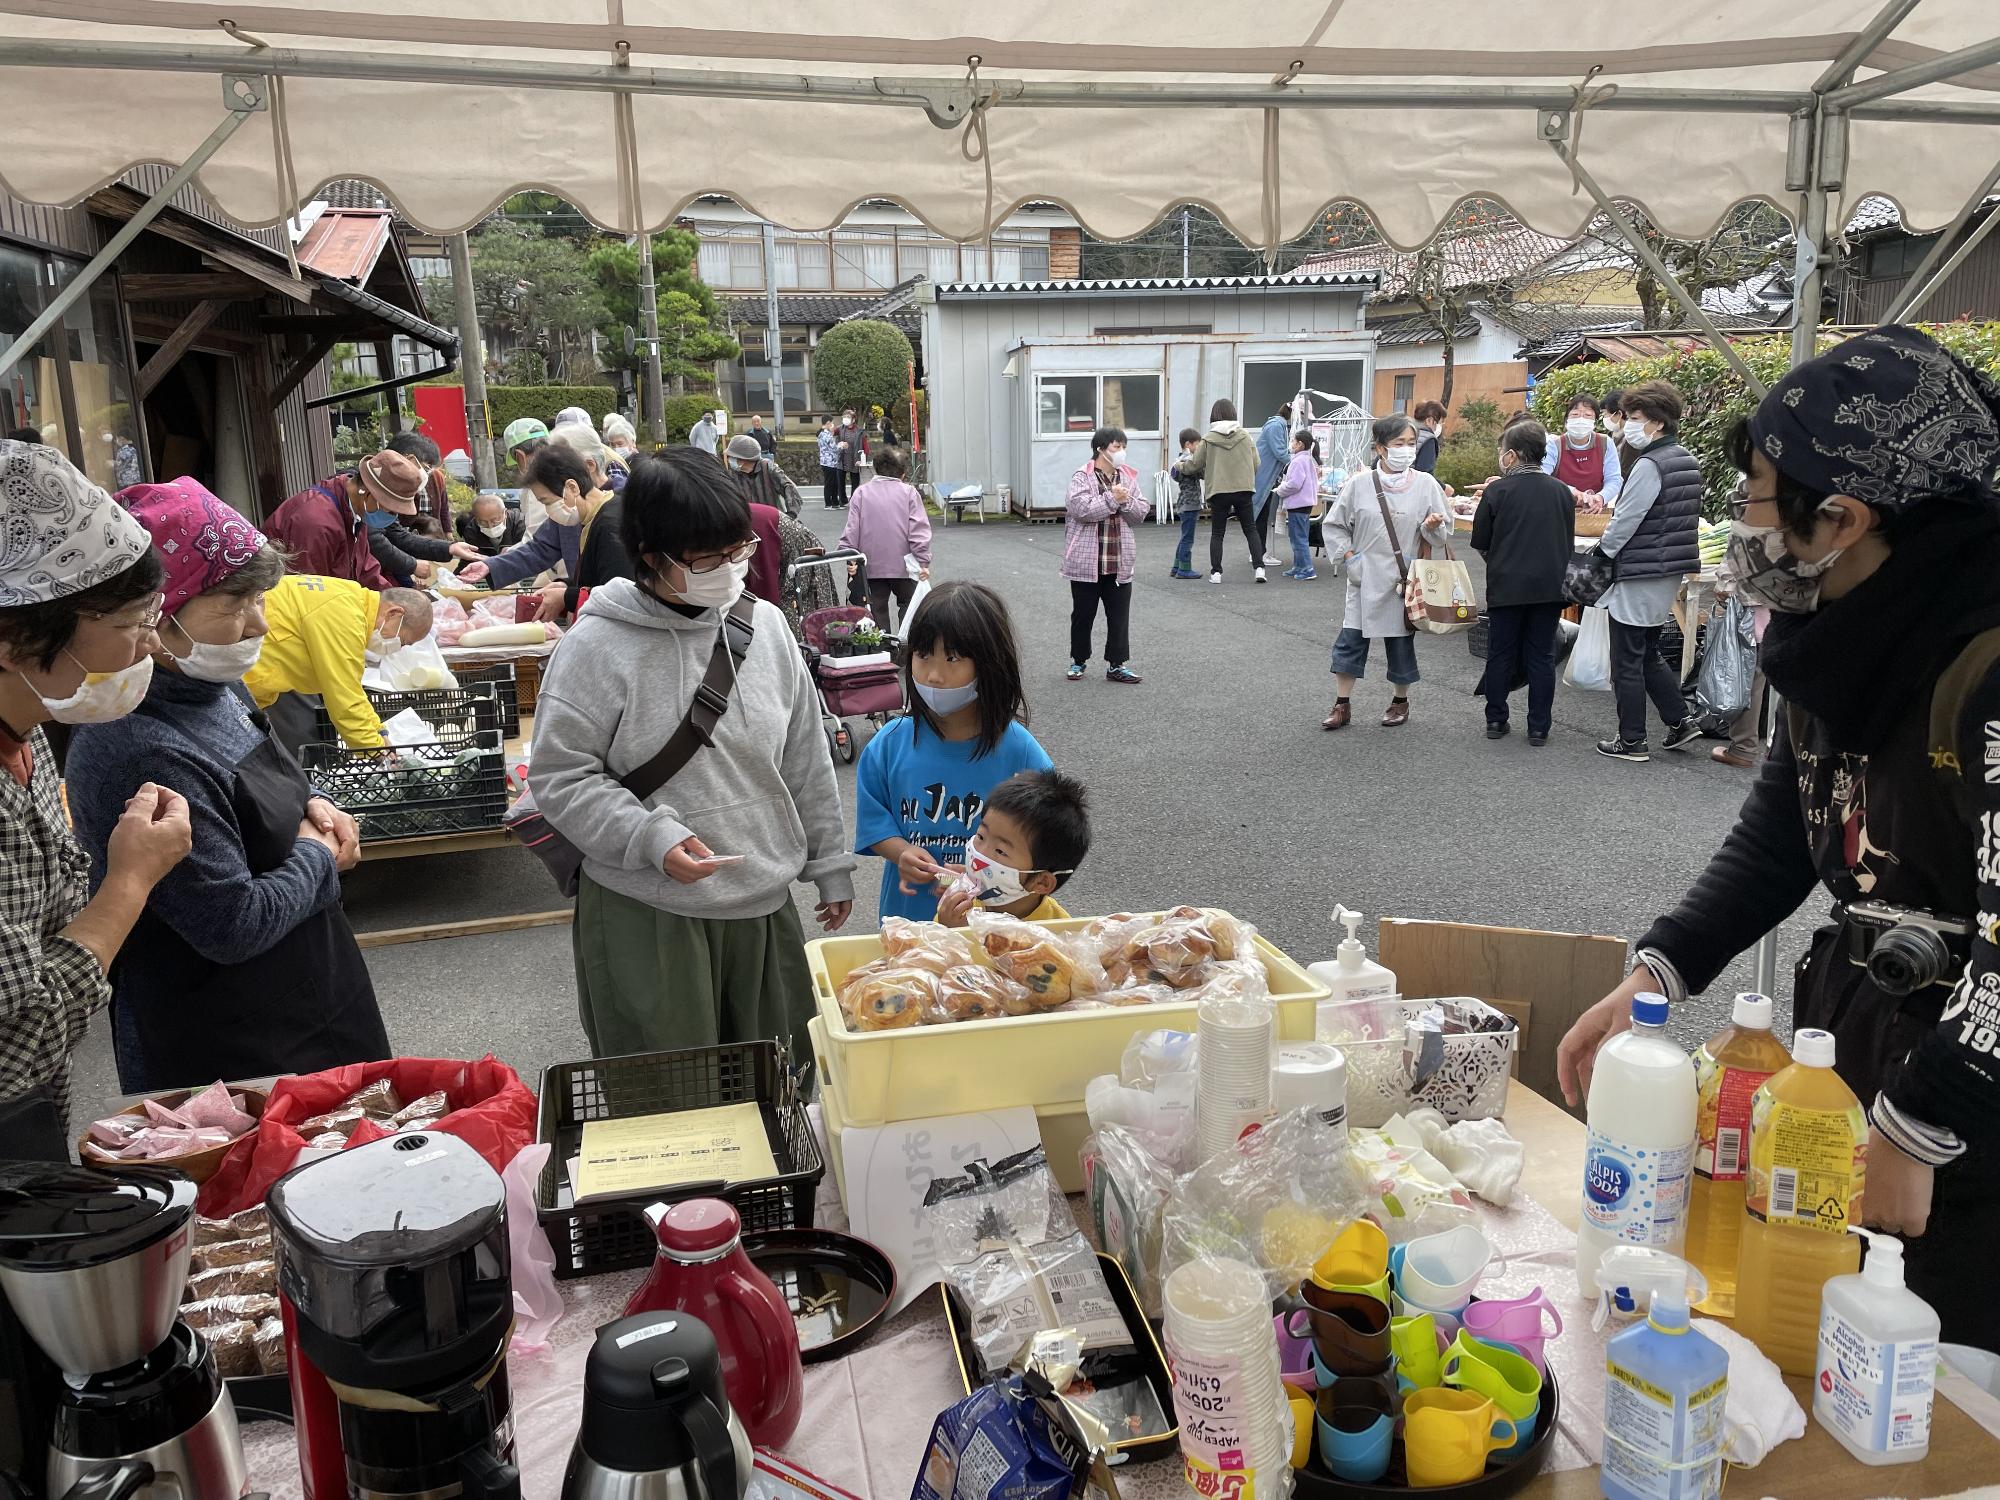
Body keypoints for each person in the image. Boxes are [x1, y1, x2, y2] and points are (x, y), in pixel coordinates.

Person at [1554, 325, 2000, 1348]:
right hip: (1861, 1052)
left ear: (1840, 516)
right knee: (1828, 1338)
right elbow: (1782, 837)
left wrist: (1919, 1122)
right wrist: (1655, 974)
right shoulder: (1841, 633)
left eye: (1755, 499)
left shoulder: (1980, 657)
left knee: (1944, 1373)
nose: (1743, 528)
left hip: (1967, 1095)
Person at [67, 479, 389, 1093]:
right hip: (232, 1044)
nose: (258, 624)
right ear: (157, 617)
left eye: (260, 600)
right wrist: (318, 854)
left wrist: (310, 802)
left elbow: (258, 775)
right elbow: (230, 924)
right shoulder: (141, 747)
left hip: (308, 984)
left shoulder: (213, 689)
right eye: (235, 605)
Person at [530, 451, 855, 1060]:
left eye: (740, 552)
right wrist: (649, 836)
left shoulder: (768, 628)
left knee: (777, 1091)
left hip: (762, 904)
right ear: (652, 556)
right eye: (709, 560)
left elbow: (806, 754)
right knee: (670, 1101)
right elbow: (560, 776)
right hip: (646, 914)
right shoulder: (596, 646)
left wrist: (829, 861)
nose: (732, 571)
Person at [0, 442, 193, 1131]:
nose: (153, 645)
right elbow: (10, 1049)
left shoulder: (27, 727)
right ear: (14, 638)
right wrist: (130, 882)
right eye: (131, 623)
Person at [854, 581, 1052, 922]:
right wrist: (901, 852)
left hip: (992, 926)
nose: (934, 675)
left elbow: (1050, 838)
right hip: (909, 923)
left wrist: (992, 878)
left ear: (990, 663)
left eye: (953, 658)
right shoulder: (889, 743)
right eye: (923, 654)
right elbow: (875, 822)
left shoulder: (1020, 752)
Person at [1593, 380, 1703, 763]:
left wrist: (1601, 553)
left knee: (1627, 656)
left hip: (1639, 569)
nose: (1630, 425)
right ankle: (1680, 720)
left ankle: (1632, 740)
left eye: (1636, 418)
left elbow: (1626, 518)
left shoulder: (1649, 464)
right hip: (1668, 569)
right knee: (1647, 651)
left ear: (1656, 423)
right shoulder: (1686, 458)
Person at [1322, 414, 1451, 729]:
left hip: (1401, 579)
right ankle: (1342, 704)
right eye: (1398, 444)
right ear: (1380, 448)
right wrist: (1351, 558)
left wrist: (1431, 526)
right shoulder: (1359, 484)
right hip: (1364, 576)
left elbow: (1440, 535)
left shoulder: (1425, 484)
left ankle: (1400, 700)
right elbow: (1335, 525)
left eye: (1410, 444)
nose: (1406, 450)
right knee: (1351, 640)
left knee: (1400, 644)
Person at [243, 575, 432, 753]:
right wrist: (375, 751)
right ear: (394, 613)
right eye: (403, 641)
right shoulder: (346, 617)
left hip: (248, 678)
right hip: (240, 677)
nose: (398, 648)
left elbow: (351, 688)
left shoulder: (350, 599)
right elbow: (344, 696)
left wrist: (378, 731)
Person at [1472, 421, 1574, 745]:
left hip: (1506, 586)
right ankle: (1539, 727)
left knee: (1500, 652)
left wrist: (1501, 562)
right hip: (1549, 587)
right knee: (1542, 655)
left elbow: (1481, 541)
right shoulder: (1561, 491)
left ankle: (1496, 720)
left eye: (1502, 452)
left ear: (1512, 456)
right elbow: (1567, 542)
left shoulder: (1496, 491)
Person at [936, 769, 1091, 928]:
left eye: (1000, 851)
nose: (979, 855)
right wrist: (948, 930)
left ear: (1042, 882)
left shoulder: (1059, 930)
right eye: (981, 836)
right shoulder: (959, 909)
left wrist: (962, 936)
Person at [266, 449, 435, 590]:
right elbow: (308, 594)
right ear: (369, 493)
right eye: (390, 509)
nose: (392, 516)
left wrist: (393, 597)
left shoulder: (353, 509)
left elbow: (365, 568)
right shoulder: (316, 522)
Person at [1062, 427, 1149, 685]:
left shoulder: (1127, 477)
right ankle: (1078, 660)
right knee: (1083, 614)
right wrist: (1112, 499)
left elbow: (1141, 512)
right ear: (1100, 449)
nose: (1121, 452)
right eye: (1115, 447)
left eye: (1123, 446)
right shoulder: (1082, 476)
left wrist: (1125, 502)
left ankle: (1117, 664)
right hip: (1086, 562)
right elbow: (1081, 510)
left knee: (1119, 616)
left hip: (1118, 560)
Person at [523, 444, 631, 618]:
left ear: (573, 487)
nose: (547, 511)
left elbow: (619, 598)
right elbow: (599, 579)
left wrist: (567, 597)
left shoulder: (610, 526)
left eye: (546, 501)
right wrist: (568, 586)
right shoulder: (596, 518)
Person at [841, 447, 931, 630]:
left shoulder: (861, 493)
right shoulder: (909, 493)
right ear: (903, 473)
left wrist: (850, 557)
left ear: (875, 468)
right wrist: (923, 561)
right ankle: (907, 649)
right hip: (905, 565)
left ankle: (884, 651)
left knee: (876, 612)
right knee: (909, 609)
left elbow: (852, 529)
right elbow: (918, 530)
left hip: (870, 564)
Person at [1181, 399, 1262, 585]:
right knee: (1250, 529)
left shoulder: (1208, 439)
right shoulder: (1246, 436)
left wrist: (1180, 466)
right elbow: (1256, 463)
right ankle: (1259, 569)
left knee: (1218, 533)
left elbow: (1195, 465)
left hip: (1219, 491)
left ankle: (1216, 573)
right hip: (1243, 489)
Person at [1539, 394, 1623, 513]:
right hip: (1559, 510)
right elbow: (1543, 477)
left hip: (1594, 513)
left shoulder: (1605, 443)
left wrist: (1600, 497)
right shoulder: (1554, 444)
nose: (1581, 419)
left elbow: (1614, 479)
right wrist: (1572, 492)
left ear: (1594, 421)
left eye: (1587, 415)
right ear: (1567, 419)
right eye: (1575, 415)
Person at [1251, 402, 1292, 570]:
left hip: (1265, 476)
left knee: (1260, 516)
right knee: (1261, 516)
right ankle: (1259, 553)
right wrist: (1299, 461)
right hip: (1264, 476)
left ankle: (1257, 551)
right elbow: (1280, 452)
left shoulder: (1276, 424)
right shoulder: (1277, 425)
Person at [386, 431, 453, 533]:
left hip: (431, 531)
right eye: (426, 467)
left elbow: (444, 508)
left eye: (430, 468)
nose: (427, 472)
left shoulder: (436, 477)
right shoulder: (389, 483)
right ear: (407, 459)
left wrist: (447, 533)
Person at [724, 433, 803, 520]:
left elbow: (789, 487)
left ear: (743, 458)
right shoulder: (732, 475)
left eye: (731, 457)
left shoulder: (767, 468)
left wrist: (791, 515)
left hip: (772, 522)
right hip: (748, 524)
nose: (729, 460)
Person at [1277, 430, 1322, 581]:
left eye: (1293, 441)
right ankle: (1298, 566)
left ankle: (1307, 569)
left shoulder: (1298, 461)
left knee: (1298, 538)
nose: (1291, 444)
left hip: (1298, 504)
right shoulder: (1307, 459)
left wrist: (1280, 489)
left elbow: (1294, 484)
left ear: (1300, 444)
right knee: (1298, 537)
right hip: (1304, 504)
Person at [1168, 427, 1204, 580]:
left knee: (1184, 537)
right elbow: (1201, 473)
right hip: (1190, 504)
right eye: (1198, 445)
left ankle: (1176, 567)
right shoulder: (1188, 461)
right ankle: (1184, 568)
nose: (1199, 448)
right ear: (1188, 444)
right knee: (1188, 538)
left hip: (1184, 503)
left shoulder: (1179, 460)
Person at [455, 492, 526, 556]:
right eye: (483, 522)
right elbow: (471, 559)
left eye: (495, 520)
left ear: (505, 513)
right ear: (476, 518)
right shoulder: (471, 530)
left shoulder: (520, 524)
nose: (490, 526)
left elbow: (529, 554)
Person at [834, 407, 866, 505]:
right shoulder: (839, 429)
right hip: (842, 457)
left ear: (853, 419)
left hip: (855, 457)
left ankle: (854, 500)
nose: (845, 419)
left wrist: (863, 458)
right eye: (844, 417)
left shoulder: (860, 431)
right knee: (840, 481)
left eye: (848, 417)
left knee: (855, 481)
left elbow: (865, 446)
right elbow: (831, 436)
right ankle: (842, 500)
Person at [1411, 400, 1447, 475]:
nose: (1440, 426)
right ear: (1429, 420)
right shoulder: (1429, 440)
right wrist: (1443, 486)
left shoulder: (1403, 431)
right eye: (1440, 422)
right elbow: (1426, 474)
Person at [817, 417, 843, 508]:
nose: (833, 425)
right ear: (828, 423)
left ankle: (835, 502)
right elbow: (834, 448)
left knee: (834, 483)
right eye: (832, 423)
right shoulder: (825, 434)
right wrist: (841, 445)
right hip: (828, 462)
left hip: (829, 462)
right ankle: (828, 503)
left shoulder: (823, 433)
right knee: (830, 483)